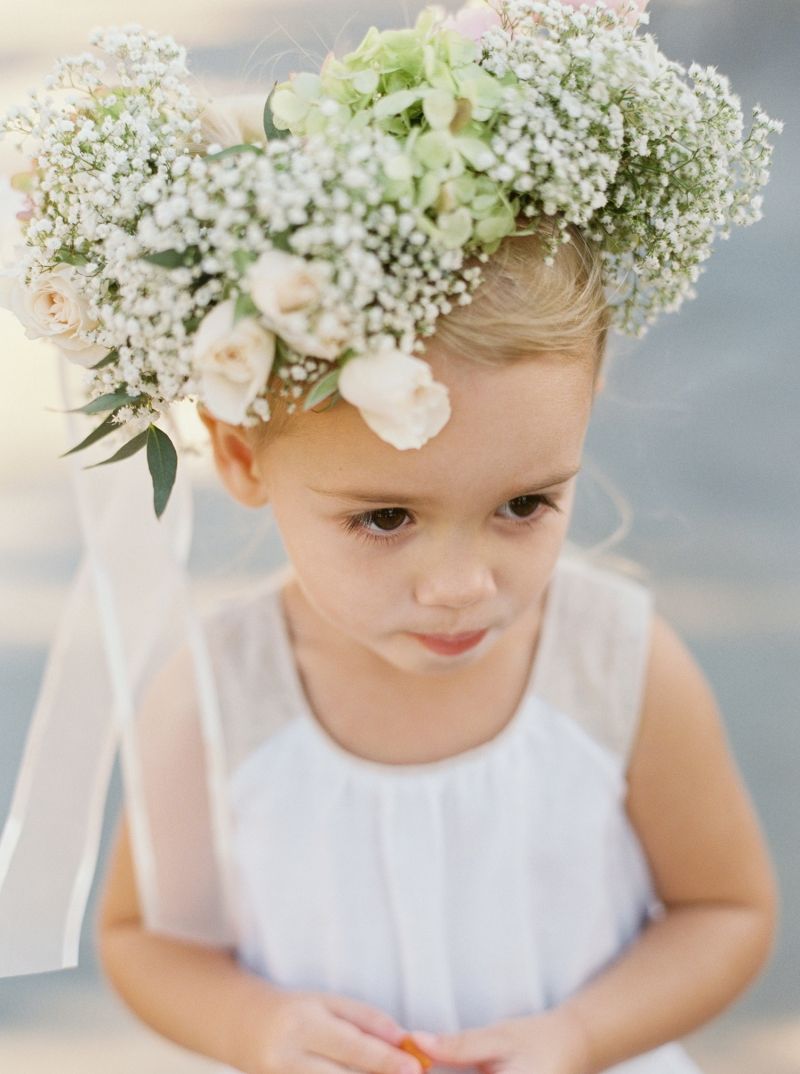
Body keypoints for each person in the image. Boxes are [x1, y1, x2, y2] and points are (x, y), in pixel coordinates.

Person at [0, 3, 781, 1073]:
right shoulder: (218, 696)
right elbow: (145, 942)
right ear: (238, 457)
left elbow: (723, 909)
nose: (461, 585)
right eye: (384, 518)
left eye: (523, 505)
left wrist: (575, 1036)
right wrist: (265, 1029)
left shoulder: (616, 665)